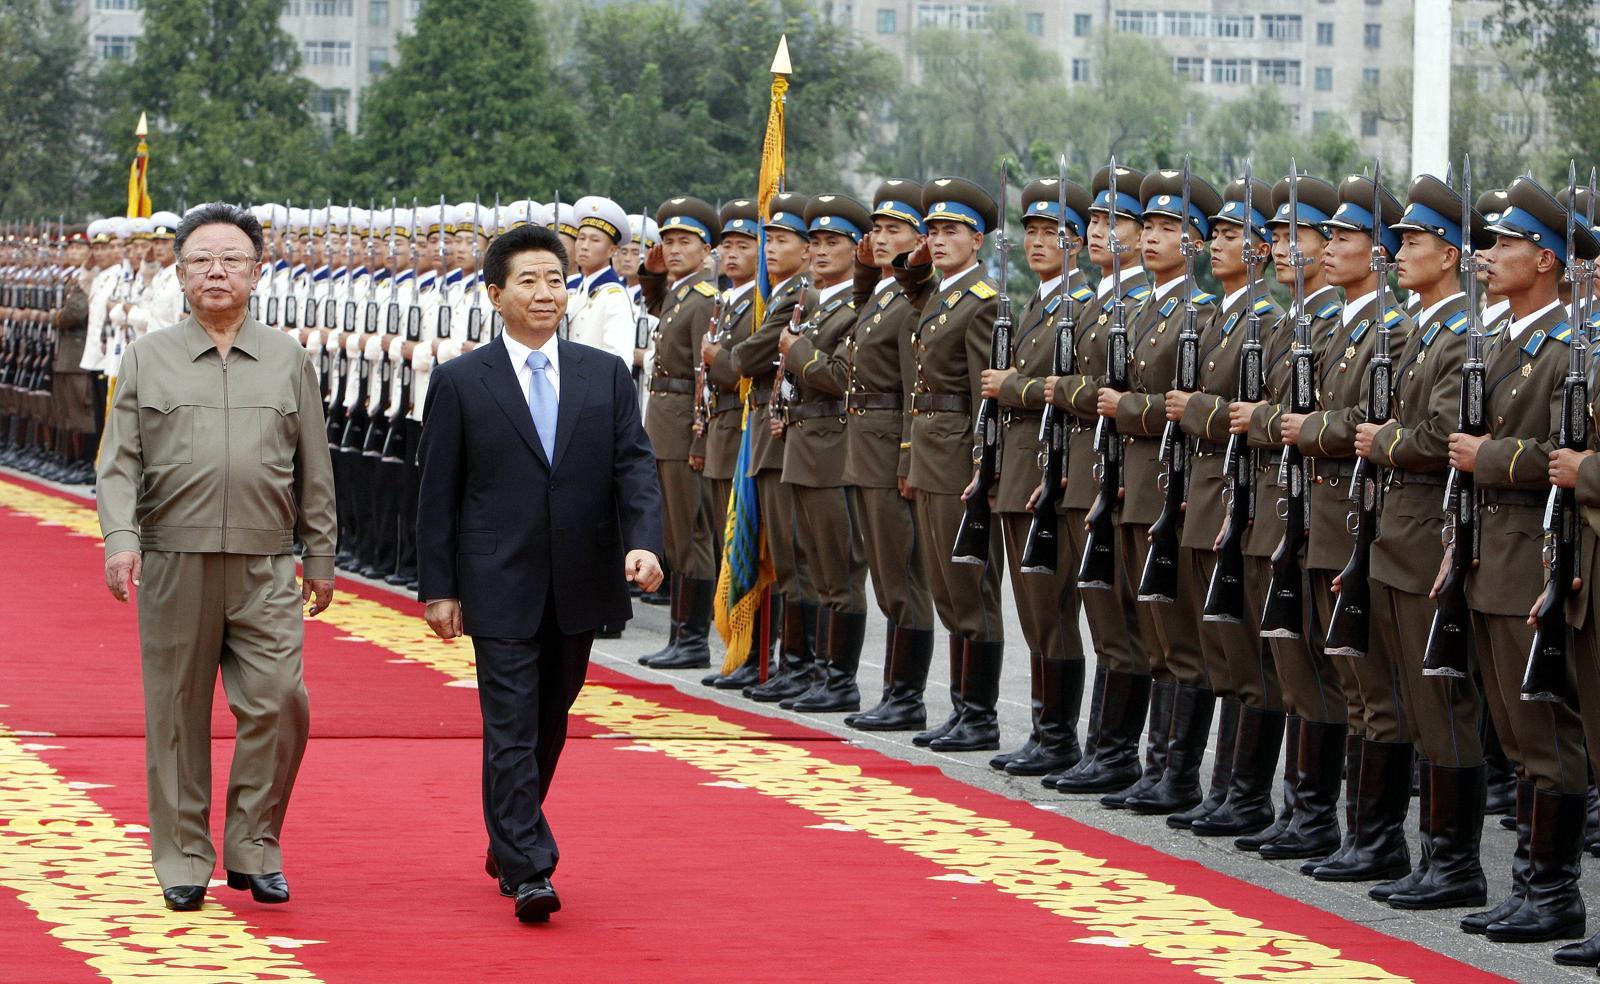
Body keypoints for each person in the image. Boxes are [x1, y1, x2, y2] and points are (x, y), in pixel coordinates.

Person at [414, 222, 663, 923]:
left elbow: (633, 467)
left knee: (551, 718)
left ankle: (508, 831)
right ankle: (530, 866)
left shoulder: (603, 373)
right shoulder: (463, 380)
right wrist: (439, 587)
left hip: (581, 578)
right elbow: (438, 490)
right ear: (496, 294)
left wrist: (645, 542)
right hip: (498, 580)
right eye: (527, 280)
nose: (545, 292)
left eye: (554, 279)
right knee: (511, 725)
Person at [95, 202, 337, 913]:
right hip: (176, 559)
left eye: (231, 259)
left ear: (258, 272)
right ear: (180, 272)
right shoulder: (147, 357)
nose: (216, 272)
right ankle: (183, 857)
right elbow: (119, 462)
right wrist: (121, 539)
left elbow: (314, 466)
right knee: (175, 713)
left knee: (280, 702)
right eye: (201, 260)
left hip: (266, 564)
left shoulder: (288, 358)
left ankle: (254, 846)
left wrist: (320, 554)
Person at [987, 175, 1093, 774]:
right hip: (1020, 470)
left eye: (1051, 232)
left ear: (1075, 242)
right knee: (1033, 611)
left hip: (1050, 473)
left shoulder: (1079, 306)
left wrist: (1013, 388)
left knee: (1052, 609)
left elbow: (1068, 392)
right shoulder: (1036, 302)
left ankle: (1058, 736)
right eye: (1030, 231)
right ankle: (1043, 727)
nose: (1037, 242)